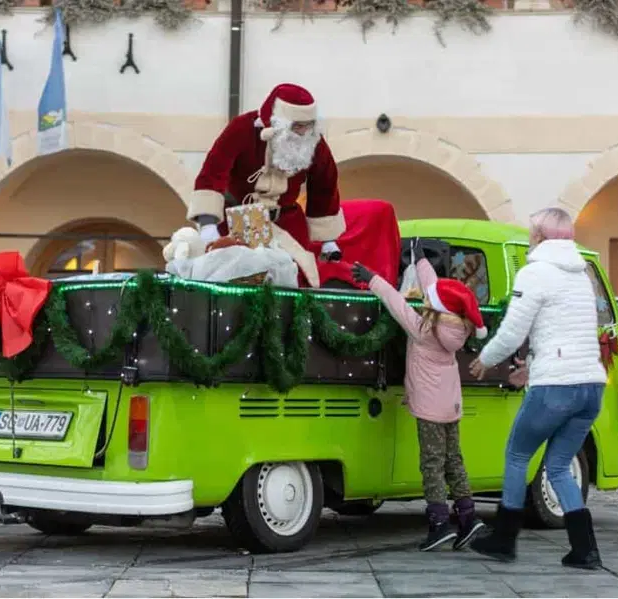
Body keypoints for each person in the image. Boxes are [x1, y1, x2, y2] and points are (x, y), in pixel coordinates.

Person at [467, 207, 607, 570]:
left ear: (541, 237)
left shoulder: (536, 272)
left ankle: (504, 540)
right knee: (559, 466)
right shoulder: (581, 275)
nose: (530, 237)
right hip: (590, 386)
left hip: (556, 388)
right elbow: (570, 337)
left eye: (532, 232)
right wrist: (532, 367)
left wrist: (486, 358)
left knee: (517, 455)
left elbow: (514, 331)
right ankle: (585, 550)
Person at [353, 241, 487, 551]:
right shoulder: (457, 324)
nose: (428, 297)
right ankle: (468, 518)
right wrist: (421, 260)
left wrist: (372, 277)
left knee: (431, 464)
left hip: (428, 407)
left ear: (437, 307)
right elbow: (437, 288)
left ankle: (439, 524)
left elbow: (395, 303)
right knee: (454, 460)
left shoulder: (422, 329)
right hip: (451, 404)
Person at [186, 83, 346, 288]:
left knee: (295, 277)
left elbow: (325, 184)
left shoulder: (313, 141)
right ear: (278, 122)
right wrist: (208, 223)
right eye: (297, 126)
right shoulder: (242, 128)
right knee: (237, 275)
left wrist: (328, 239)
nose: (304, 132)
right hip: (240, 219)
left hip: (288, 223)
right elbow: (213, 171)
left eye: (309, 125)